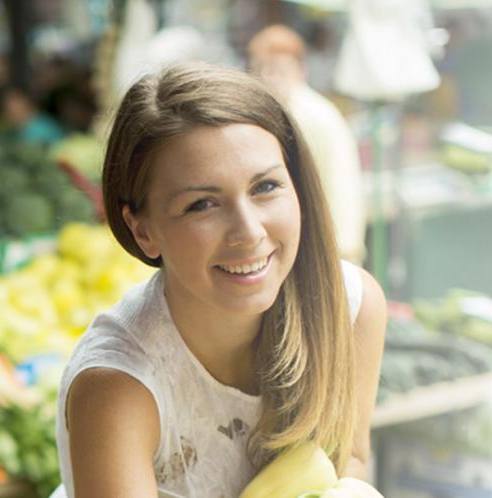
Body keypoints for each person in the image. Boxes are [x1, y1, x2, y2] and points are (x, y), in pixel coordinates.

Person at [54, 63, 387, 497]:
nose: (248, 231)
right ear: (143, 230)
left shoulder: (350, 309)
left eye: (266, 186)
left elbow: (348, 464)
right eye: (202, 204)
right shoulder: (119, 386)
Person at [249, 25, 368, 264]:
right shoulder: (267, 112)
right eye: (266, 69)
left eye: (281, 70)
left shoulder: (315, 116)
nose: (273, 78)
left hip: (323, 243)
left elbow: (341, 185)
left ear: (300, 70)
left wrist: (343, 250)